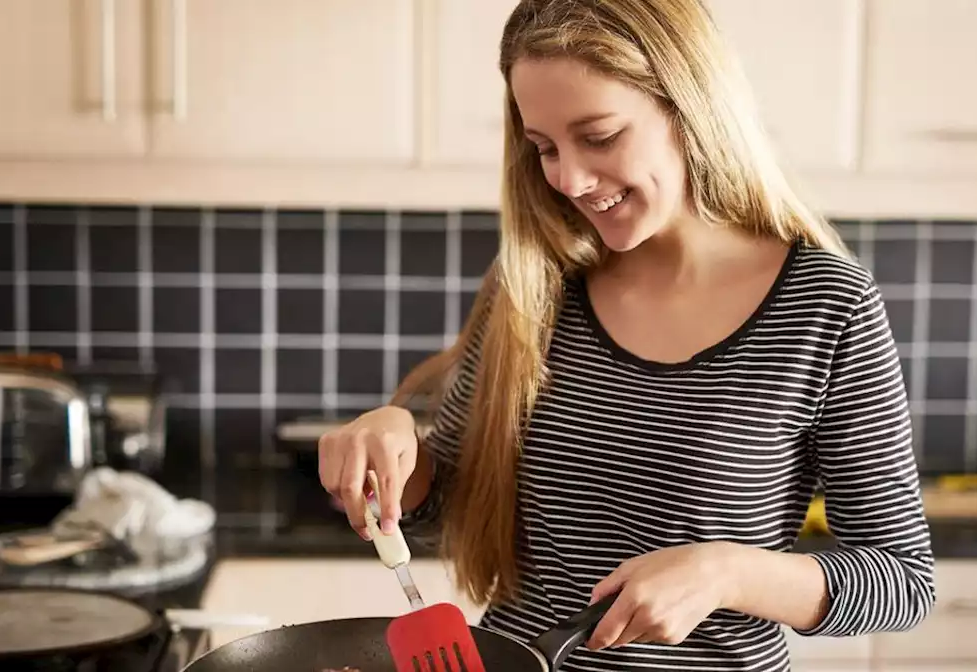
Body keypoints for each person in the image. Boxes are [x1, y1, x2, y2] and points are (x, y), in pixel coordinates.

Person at [318, 0, 936, 669]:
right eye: (546, 148)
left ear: (690, 107)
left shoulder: (824, 305)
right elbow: (447, 505)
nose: (570, 180)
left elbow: (900, 581)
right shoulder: (535, 283)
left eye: (601, 136)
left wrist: (727, 572)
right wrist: (391, 447)